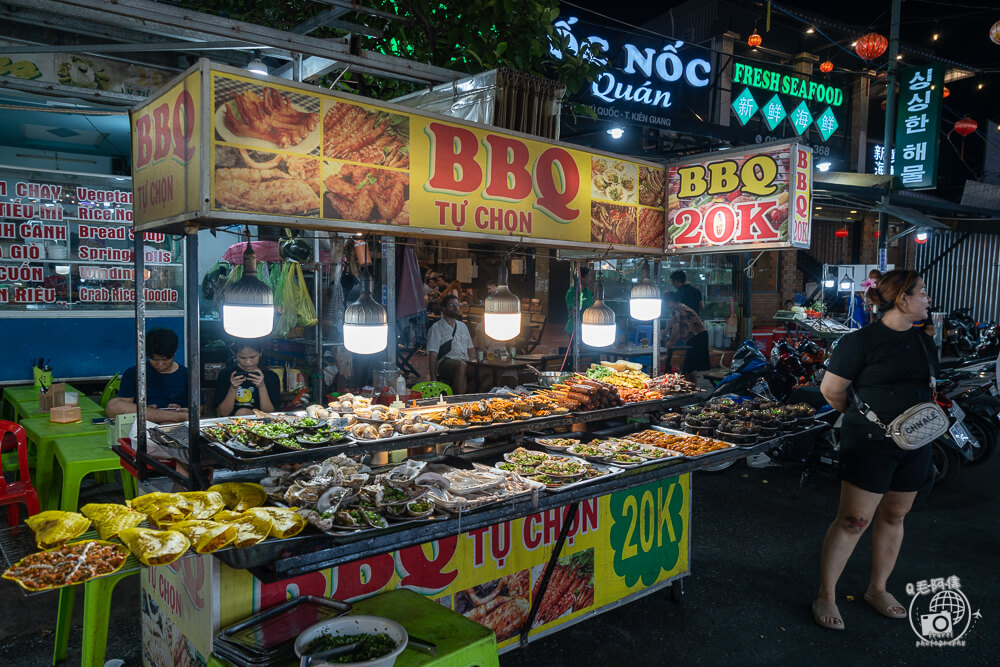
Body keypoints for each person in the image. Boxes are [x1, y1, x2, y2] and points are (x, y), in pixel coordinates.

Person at [813, 269, 934, 631]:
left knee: (895, 515)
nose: (928, 299)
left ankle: (877, 589)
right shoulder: (860, 341)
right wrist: (867, 421)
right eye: (923, 292)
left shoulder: (924, 342)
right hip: (869, 444)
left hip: (915, 442)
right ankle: (826, 594)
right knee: (854, 521)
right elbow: (832, 392)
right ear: (903, 299)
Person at [106, 327, 189, 424]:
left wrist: (182, 410)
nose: (160, 364)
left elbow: (199, 409)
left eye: (165, 359)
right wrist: (147, 411)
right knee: (113, 405)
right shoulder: (134, 372)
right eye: (155, 360)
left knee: (168, 424)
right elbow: (117, 407)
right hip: (143, 421)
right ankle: (175, 417)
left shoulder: (187, 375)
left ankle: (175, 417)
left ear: (174, 352)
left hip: (174, 423)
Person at [214, 339, 281, 416]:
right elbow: (224, 413)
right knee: (242, 412)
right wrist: (233, 388)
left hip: (260, 423)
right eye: (243, 358)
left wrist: (262, 387)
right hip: (232, 423)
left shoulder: (271, 377)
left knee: (243, 412)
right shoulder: (225, 374)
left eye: (252, 357)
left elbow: (269, 412)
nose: (248, 362)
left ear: (260, 353)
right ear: (236, 355)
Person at [427, 294, 476, 394]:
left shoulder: (463, 326)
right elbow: (433, 355)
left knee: (485, 371)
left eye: (457, 305)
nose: (455, 308)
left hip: (465, 360)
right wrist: (433, 379)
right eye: (452, 305)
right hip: (446, 362)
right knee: (461, 365)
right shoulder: (437, 328)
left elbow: (471, 350)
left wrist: (473, 361)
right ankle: (459, 401)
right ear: (444, 308)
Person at [663, 292, 710, 382]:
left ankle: (693, 388)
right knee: (687, 366)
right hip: (696, 336)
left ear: (671, 301)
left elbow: (676, 328)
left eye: (666, 303)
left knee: (690, 366)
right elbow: (673, 323)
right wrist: (667, 332)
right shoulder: (678, 308)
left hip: (698, 337)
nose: (666, 305)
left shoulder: (679, 310)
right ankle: (689, 388)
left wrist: (671, 342)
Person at [564, 267, 595, 335]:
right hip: (576, 327)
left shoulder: (587, 290)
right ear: (582, 278)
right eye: (588, 276)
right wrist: (580, 324)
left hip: (586, 325)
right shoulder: (572, 292)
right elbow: (572, 312)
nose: (590, 278)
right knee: (576, 344)